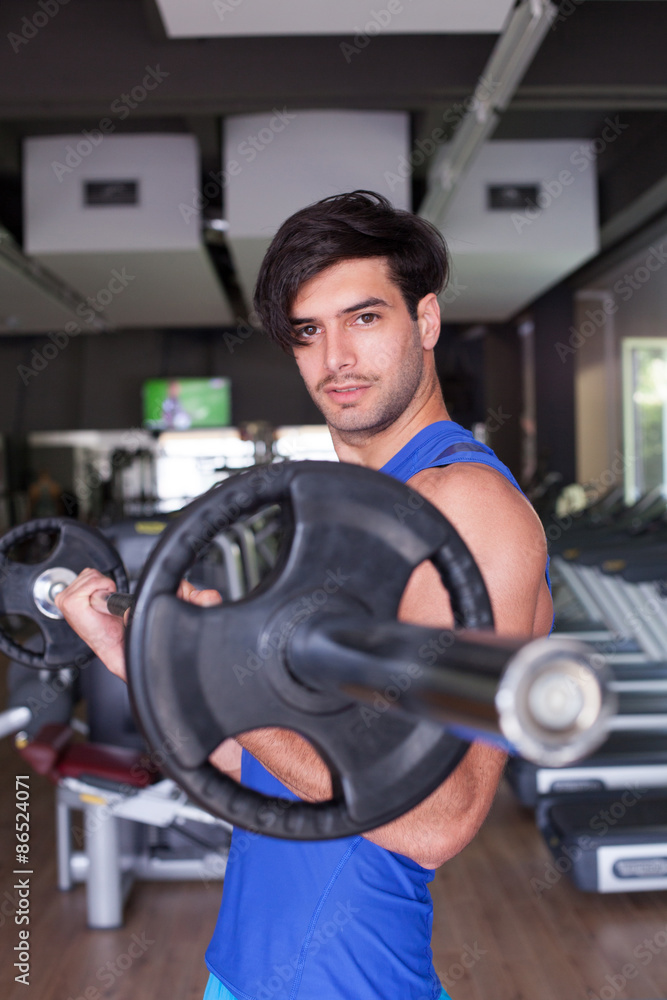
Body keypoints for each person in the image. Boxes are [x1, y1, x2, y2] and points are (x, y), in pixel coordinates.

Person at [56, 191, 553, 1000]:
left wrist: (231, 674)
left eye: (363, 318)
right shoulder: (352, 511)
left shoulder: (465, 508)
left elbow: (436, 821)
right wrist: (144, 658)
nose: (336, 360)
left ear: (423, 321)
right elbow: (264, 764)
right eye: (308, 332)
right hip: (244, 971)